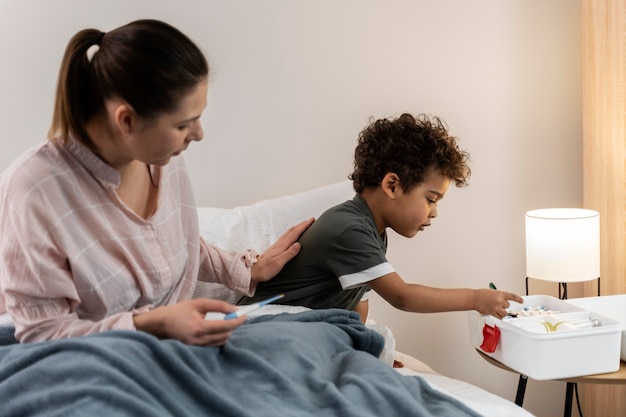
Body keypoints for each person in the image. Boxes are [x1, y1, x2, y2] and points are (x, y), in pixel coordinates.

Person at [0, 19, 313, 346]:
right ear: (127, 120)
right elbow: (43, 335)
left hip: (165, 347)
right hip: (80, 359)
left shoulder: (165, 159)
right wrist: (155, 324)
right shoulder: (33, 191)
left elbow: (175, 241)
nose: (199, 134)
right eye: (184, 124)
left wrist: (246, 270)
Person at [239, 113, 523, 322]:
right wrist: (475, 299)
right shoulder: (348, 228)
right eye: (431, 199)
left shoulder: (372, 231)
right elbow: (402, 295)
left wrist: (364, 348)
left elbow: (357, 303)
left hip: (299, 325)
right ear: (392, 185)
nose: (434, 212)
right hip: (261, 323)